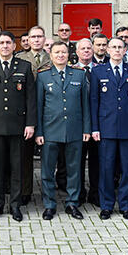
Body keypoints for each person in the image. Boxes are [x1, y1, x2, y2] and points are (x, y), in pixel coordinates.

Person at [0, 31, 36, 221]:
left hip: (18, 126)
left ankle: (15, 205)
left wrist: (30, 124)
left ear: (14, 45)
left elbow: (31, 99)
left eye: (8, 43)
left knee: (17, 167)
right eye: (1, 43)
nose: (4, 46)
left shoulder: (24, 66)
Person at [90, 37, 128, 220]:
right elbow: (94, 102)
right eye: (113, 47)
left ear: (125, 50)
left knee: (127, 169)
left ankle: (126, 205)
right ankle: (106, 205)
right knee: (106, 168)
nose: (117, 50)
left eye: (120, 47)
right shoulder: (98, 71)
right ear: (108, 50)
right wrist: (95, 128)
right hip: (106, 128)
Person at [36, 42, 90, 220]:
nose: (60, 55)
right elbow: (38, 106)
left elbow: (85, 105)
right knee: (47, 170)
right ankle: (50, 205)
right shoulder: (43, 77)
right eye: (57, 52)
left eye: (64, 52)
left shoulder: (79, 75)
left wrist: (86, 129)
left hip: (74, 130)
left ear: (69, 55)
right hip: (51, 130)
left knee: (74, 170)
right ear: (50, 56)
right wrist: (39, 132)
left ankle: (72, 203)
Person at [16, 25, 51, 204]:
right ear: (28, 40)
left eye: (39, 36)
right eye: (33, 37)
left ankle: (49, 191)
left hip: (48, 111)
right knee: (25, 155)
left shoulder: (52, 58)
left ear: (44, 39)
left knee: (49, 156)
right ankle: (25, 191)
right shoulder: (20, 58)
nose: (36, 40)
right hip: (26, 111)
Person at [72, 38, 98, 205]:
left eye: (89, 48)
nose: (87, 51)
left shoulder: (101, 70)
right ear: (77, 52)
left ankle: (95, 194)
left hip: (97, 123)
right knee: (77, 162)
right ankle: (79, 193)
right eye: (83, 48)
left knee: (96, 161)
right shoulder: (72, 71)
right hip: (77, 124)